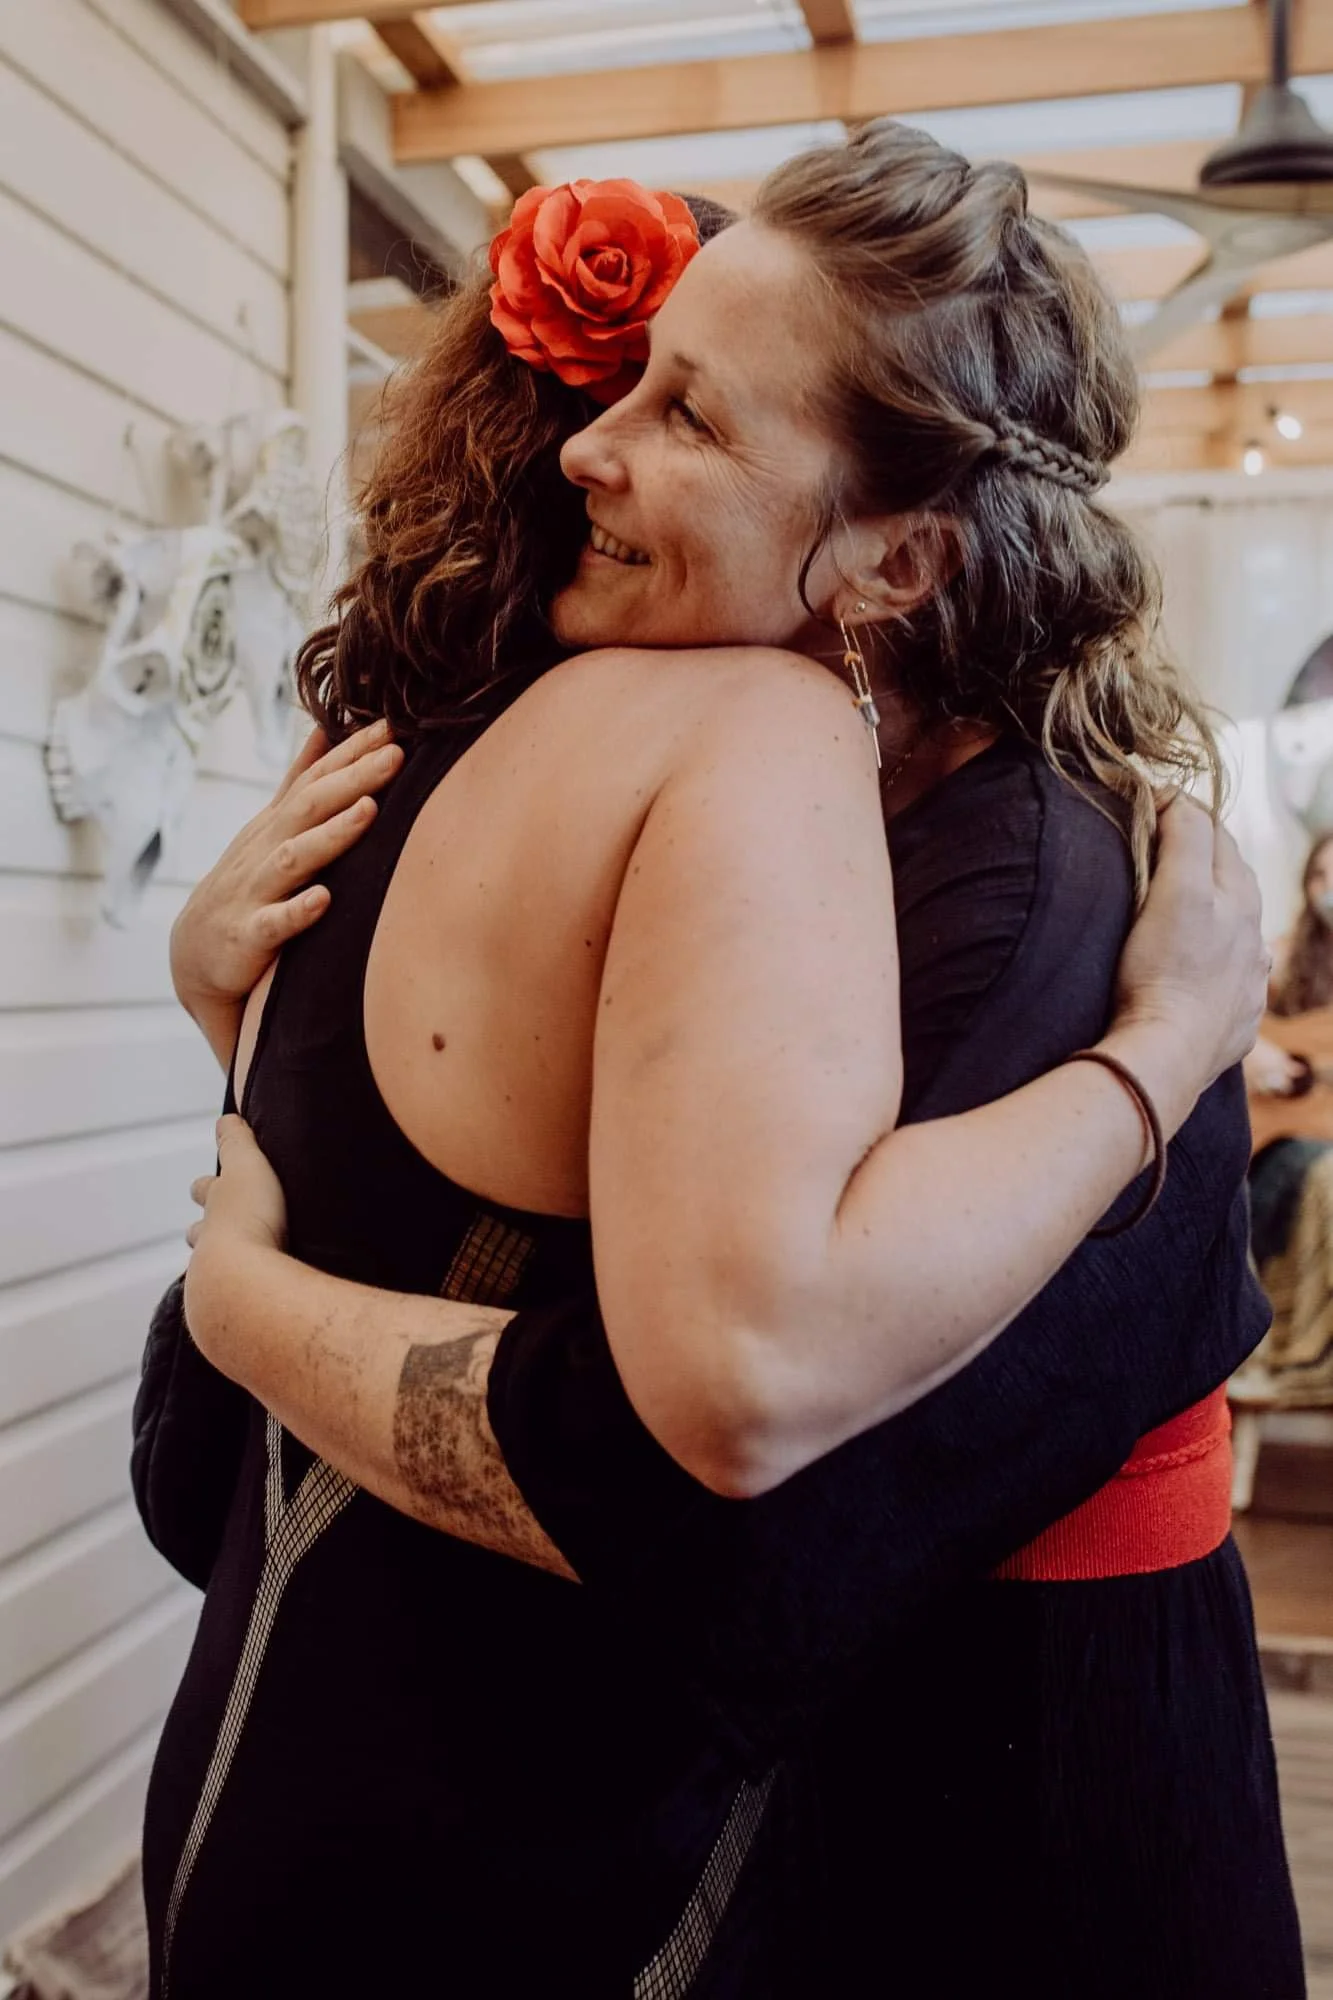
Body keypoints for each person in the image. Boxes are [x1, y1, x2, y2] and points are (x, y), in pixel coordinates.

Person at [142, 133, 1284, 1997]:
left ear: (902, 557)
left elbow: (716, 1487)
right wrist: (249, 1039)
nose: (593, 443)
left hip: (1032, 1826)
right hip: (512, 1807)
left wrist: (243, 1296)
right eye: (626, 376)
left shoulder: (1025, 894)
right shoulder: (692, 769)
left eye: (689, 413)